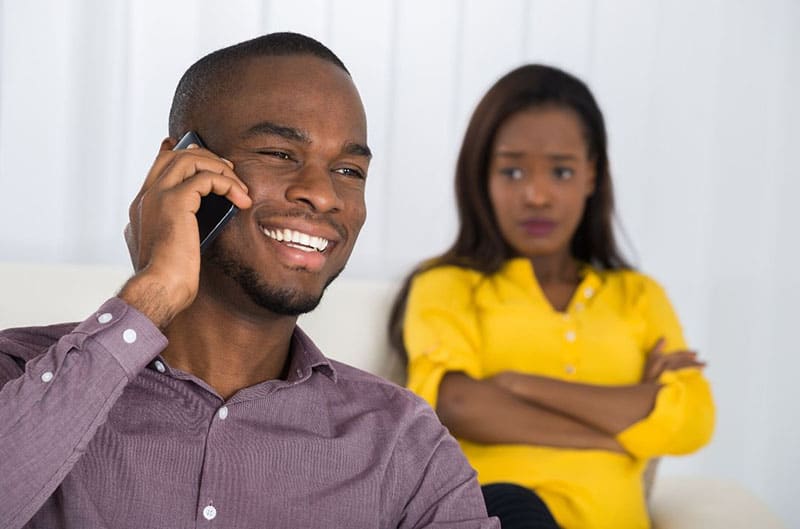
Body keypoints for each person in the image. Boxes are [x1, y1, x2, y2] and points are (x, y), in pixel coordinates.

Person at [0, 33, 498, 529]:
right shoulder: (19, 376)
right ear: (179, 167)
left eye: (348, 169)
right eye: (281, 154)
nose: (323, 196)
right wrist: (153, 294)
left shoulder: (403, 443)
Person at [389, 64, 715, 529]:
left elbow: (691, 420)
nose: (537, 195)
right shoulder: (448, 283)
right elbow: (454, 403)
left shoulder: (638, 296)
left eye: (561, 171)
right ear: (483, 176)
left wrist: (520, 384)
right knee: (512, 506)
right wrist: (627, 419)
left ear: (591, 176)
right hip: (498, 515)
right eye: (513, 170)